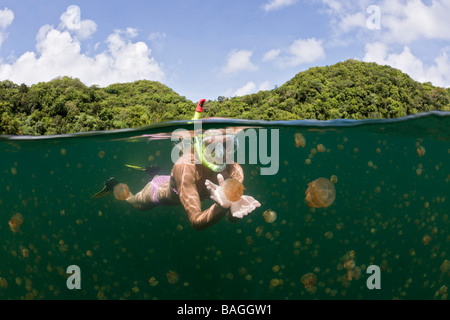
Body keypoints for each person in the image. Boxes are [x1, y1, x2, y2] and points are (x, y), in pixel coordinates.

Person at [92, 105, 261, 230]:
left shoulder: (235, 171)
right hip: (157, 190)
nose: (221, 155)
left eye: (228, 146)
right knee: (135, 203)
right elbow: (196, 221)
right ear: (202, 146)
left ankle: (153, 172)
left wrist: (232, 211)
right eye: (213, 147)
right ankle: (115, 185)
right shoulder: (185, 168)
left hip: (175, 180)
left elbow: (232, 217)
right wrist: (220, 206)